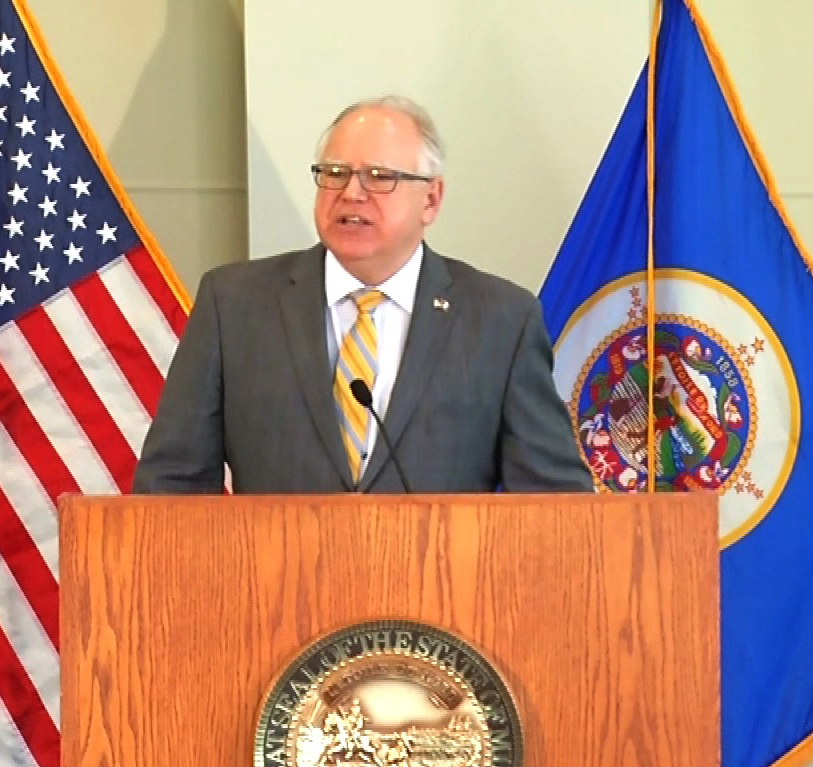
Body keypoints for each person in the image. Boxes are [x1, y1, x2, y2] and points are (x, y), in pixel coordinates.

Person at [133, 96, 593, 495]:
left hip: (440, 593)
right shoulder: (233, 305)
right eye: (334, 173)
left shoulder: (500, 320)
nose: (351, 193)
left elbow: (551, 499)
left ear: (431, 200)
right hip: (271, 592)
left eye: (379, 177)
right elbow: (173, 481)